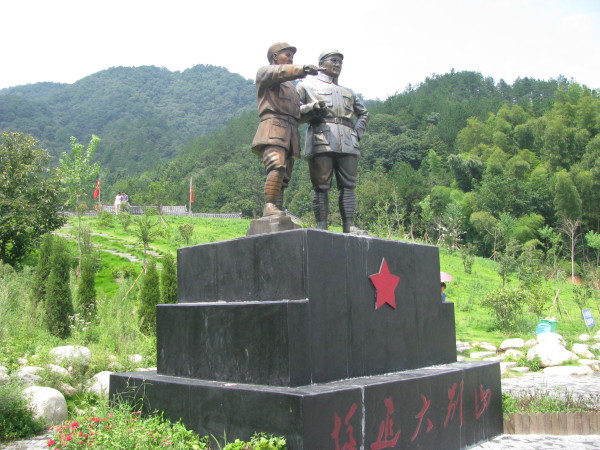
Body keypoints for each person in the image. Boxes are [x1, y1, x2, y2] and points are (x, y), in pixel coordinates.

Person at [297, 49, 369, 234]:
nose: (338, 65)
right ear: (322, 64)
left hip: (348, 140)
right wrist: (312, 107)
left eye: (340, 62)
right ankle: (322, 224)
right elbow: (295, 112)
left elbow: (364, 113)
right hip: (321, 137)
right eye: (334, 60)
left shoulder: (348, 92)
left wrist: (357, 133)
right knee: (321, 185)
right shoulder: (306, 86)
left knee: (349, 185)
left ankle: (349, 225)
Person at [251, 42, 321, 217]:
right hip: (273, 128)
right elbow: (280, 72)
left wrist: (313, 109)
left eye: (292, 56)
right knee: (277, 165)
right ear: (275, 56)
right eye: (287, 55)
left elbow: (296, 114)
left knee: (284, 176)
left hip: (290, 133)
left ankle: (277, 209)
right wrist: (303, 69)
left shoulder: (291, 88)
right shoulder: (265, 74)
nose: (290, 58)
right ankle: (269, 205)